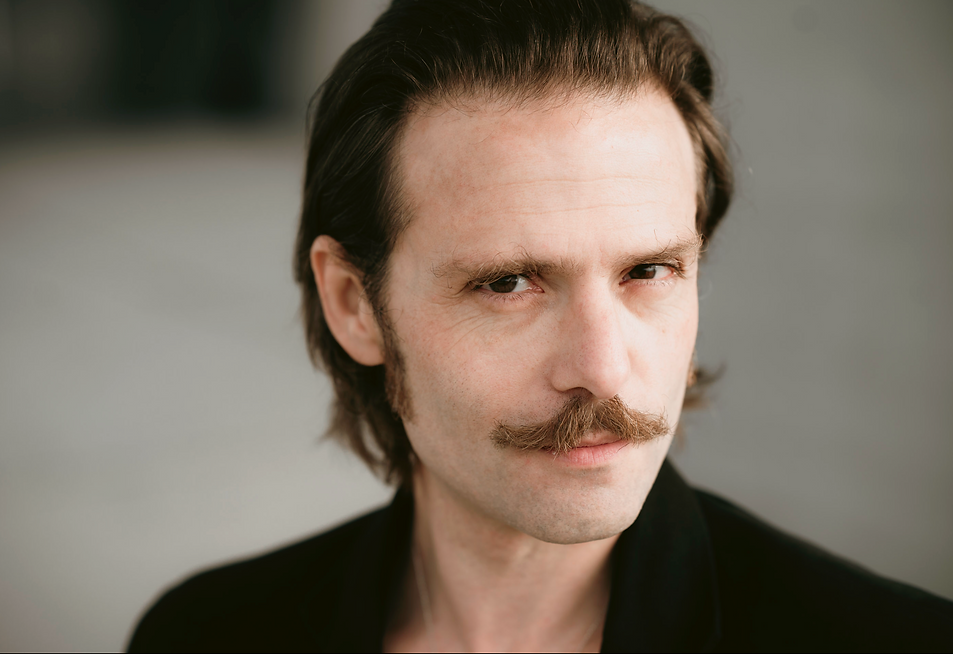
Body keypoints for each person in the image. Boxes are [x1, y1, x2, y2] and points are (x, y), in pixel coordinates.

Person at [128, 1, 953, 651]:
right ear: (354, 303)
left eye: (649, 271)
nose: (602, 368)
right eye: (509, 283)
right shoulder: (207, 634)